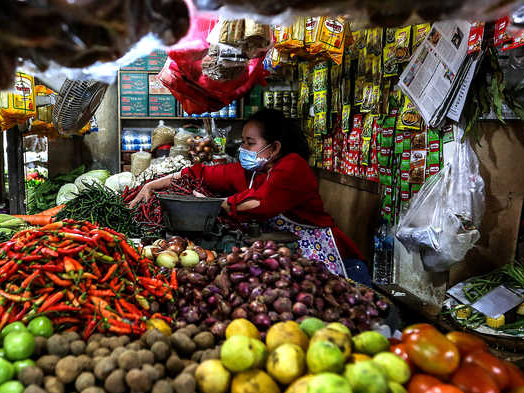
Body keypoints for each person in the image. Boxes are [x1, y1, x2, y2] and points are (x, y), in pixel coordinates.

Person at [131, 109, 369, 284]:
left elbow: (261, 204)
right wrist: (153, 185)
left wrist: (215, 204)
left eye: (250, 143)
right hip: (288, 257)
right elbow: (201, 174)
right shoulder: (251, 172)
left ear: (274, 148)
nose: (243, 149)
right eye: (243, 142)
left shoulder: (292, 167)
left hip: (330, 262)